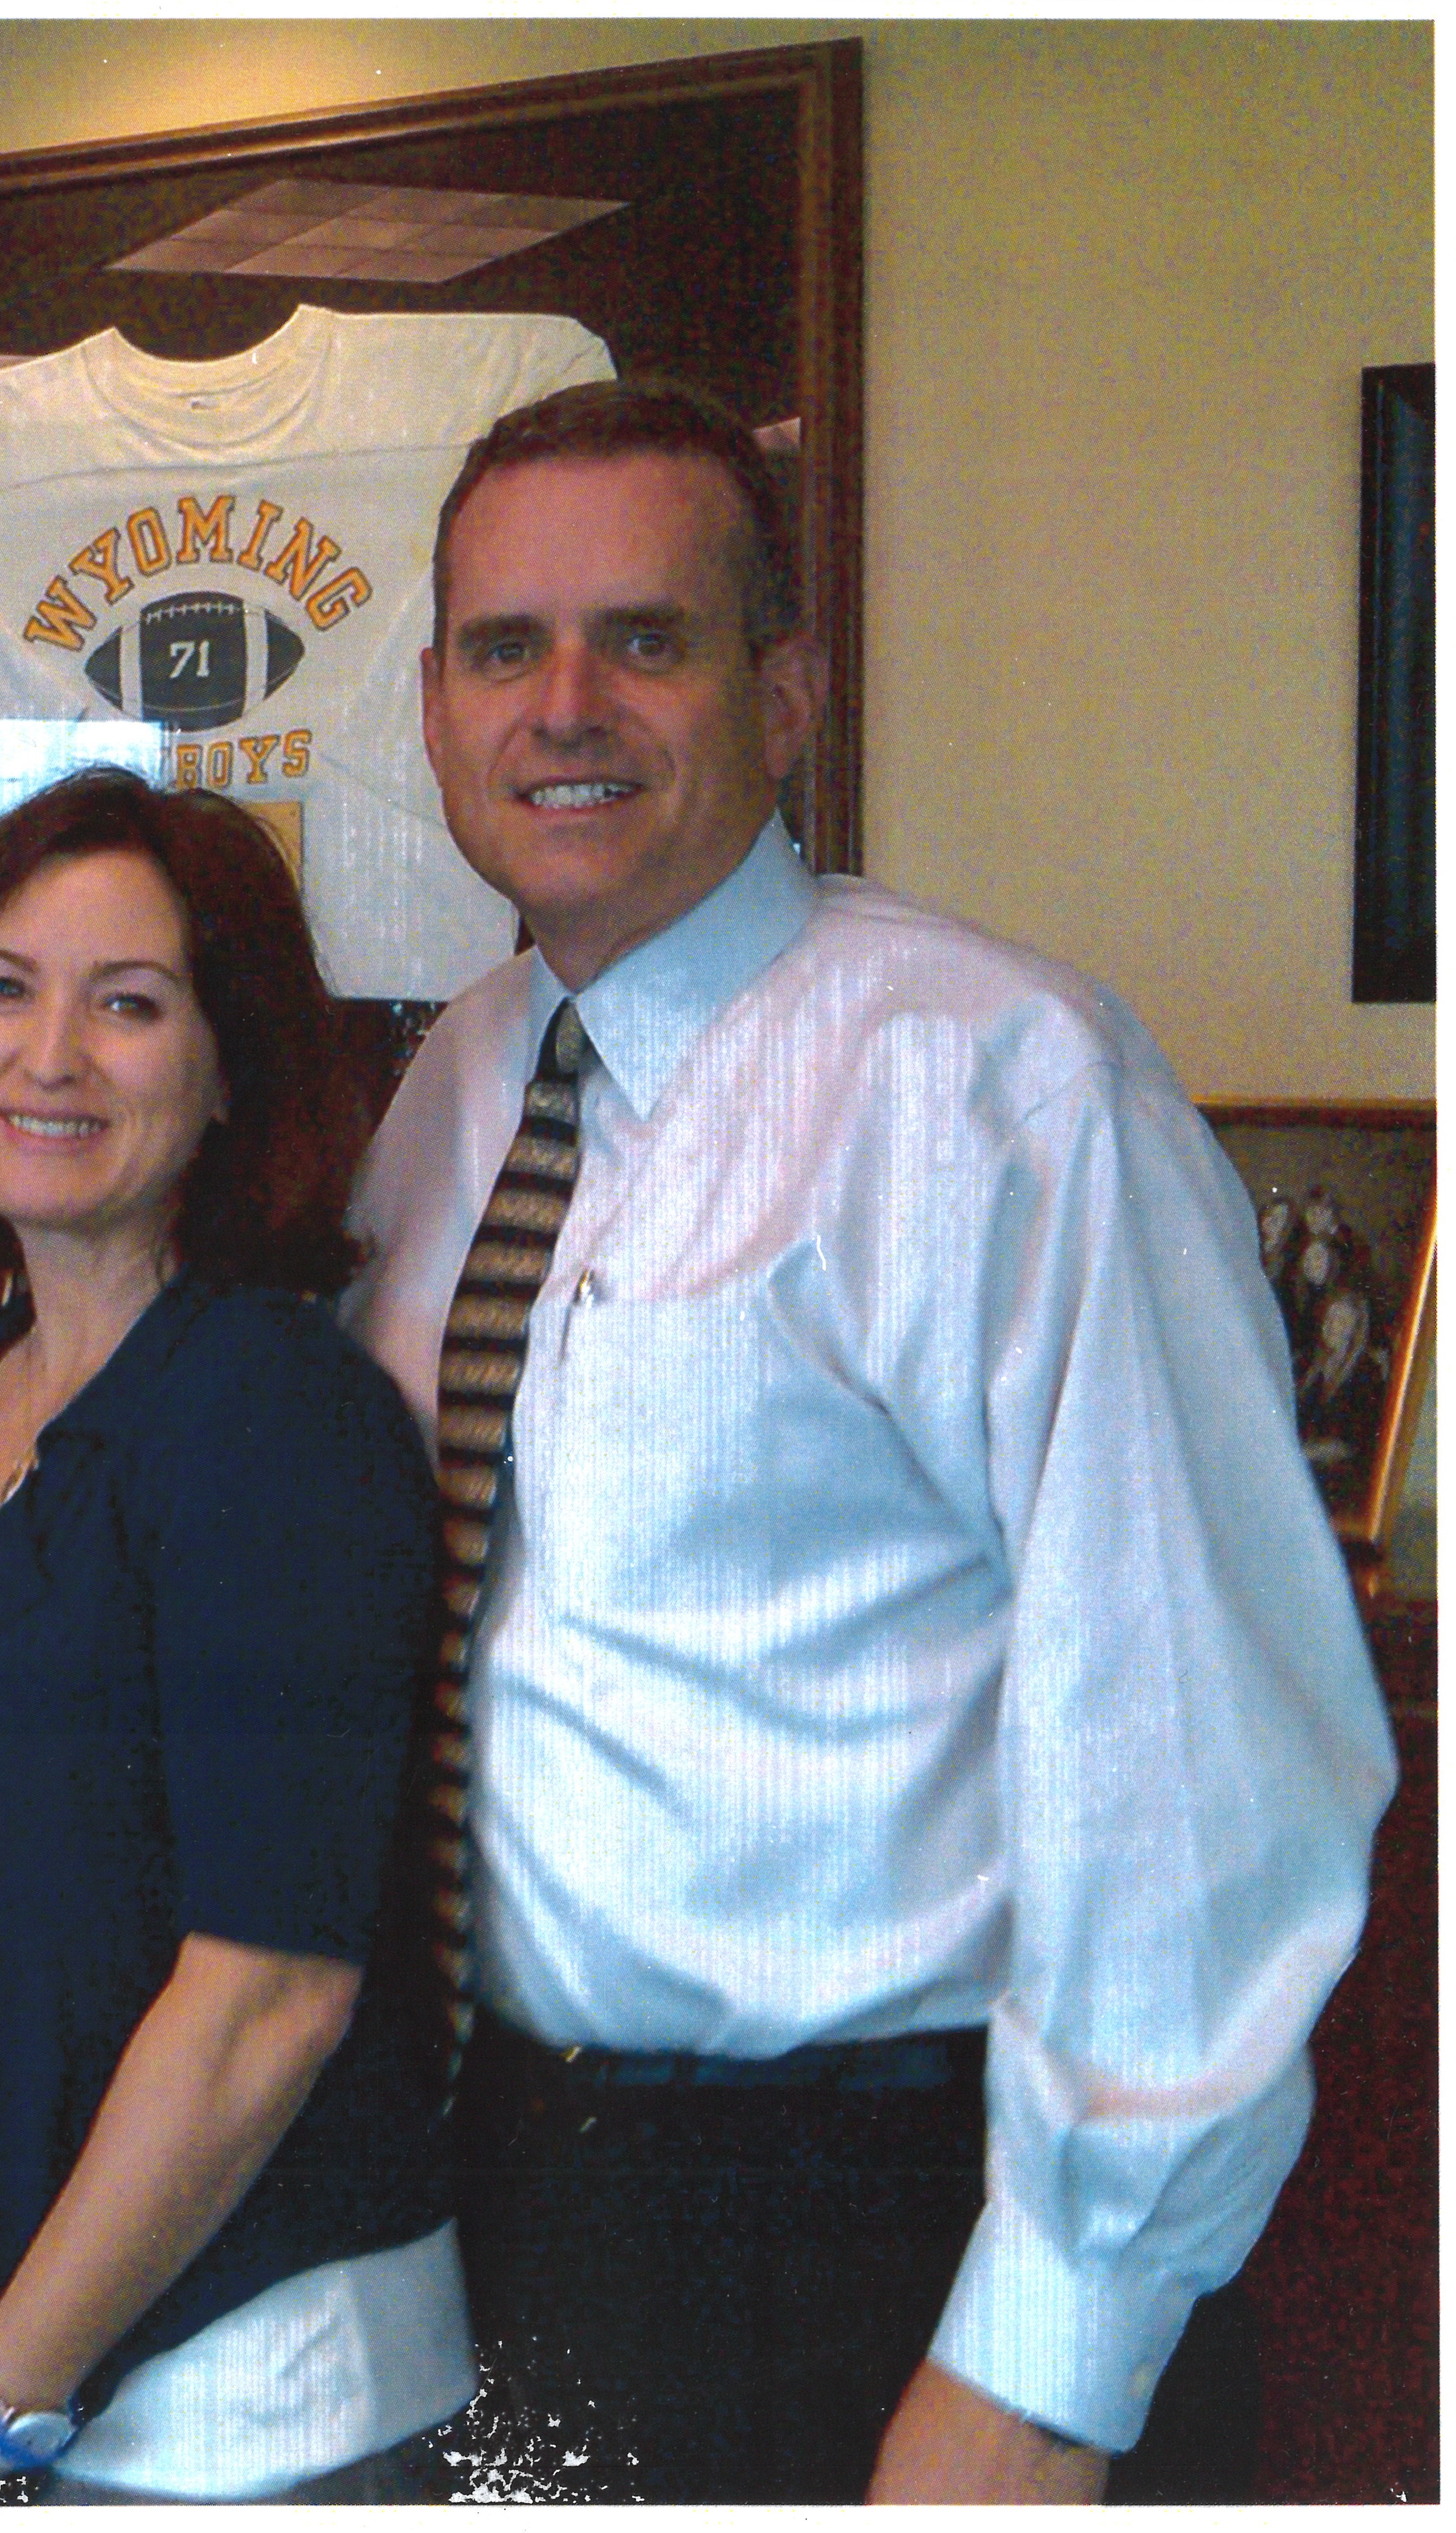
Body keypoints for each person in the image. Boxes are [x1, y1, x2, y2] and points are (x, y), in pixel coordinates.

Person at [341, 377, 1394, 2500]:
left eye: (646, 637)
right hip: (503, 2186)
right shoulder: (452, 1091)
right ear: (437, 712)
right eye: (501, 648)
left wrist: (1040, 2366)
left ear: (788, 693)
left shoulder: (1006, 1089)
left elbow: (1201, 1768)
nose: (566, 704)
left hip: (879, 2223)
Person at [0, 768, 467, 2505]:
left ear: (233, 1072)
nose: (47, 1053)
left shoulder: (279, 1422)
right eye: (5, 986)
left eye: (129, 1004)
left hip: (227, 2414)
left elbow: (268, 1994)